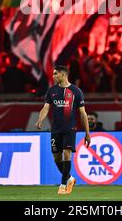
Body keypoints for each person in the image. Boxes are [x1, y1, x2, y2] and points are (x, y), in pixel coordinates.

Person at [36, 65, 91, 195]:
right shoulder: (52, 91)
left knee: (67, 154)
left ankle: (63, 185)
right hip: (55, 129)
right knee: (56, 158)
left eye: (55, 74)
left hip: (70, 129)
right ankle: (70, 178)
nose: (53, 76)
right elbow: (46, 108)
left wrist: (87, 133)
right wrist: (40, 120)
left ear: (63, 75)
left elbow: (83, 113)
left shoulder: (76, 92)